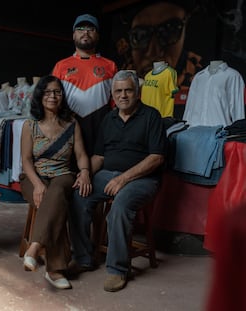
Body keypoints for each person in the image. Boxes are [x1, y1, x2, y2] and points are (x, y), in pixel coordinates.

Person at [69, 70, 167, 292]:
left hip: (142, 178)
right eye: (118, 91)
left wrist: (124, 178)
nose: (123, 95)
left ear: (137, 92)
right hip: (108, 174)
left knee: (120, 205)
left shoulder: (151, 117)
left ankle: (118, 269)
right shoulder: (109, 118)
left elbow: (156, 157)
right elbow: (100, 156)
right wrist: (85, 172)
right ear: (113, 95)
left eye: (128, 90)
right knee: (78, 195)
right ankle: (83, 257)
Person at [19, 75, 92, 289]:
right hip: (34, 177)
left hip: (63, 176)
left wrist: (85, 171)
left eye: (57, 92)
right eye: (48, 92)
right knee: (55, 199)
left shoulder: (71, 124)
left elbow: (80, 155)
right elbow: (26, 160)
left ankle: (34, 247)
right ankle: (55, 269)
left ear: (62, 97)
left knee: (58, 191)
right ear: (40, 95)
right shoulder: (30, 125)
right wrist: (38, 184)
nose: (53, 96)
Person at [52, 13, 118, 157]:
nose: (85, 32)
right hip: (68, 127)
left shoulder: (110, 65)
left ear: (98, 35)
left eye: (91, 29)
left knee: (97, 171)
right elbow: (52, 99)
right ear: (74, 35)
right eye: (81, 29)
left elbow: (116, 101)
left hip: (101, 128)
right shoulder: (61, 66)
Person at [115, 0, 203, 91]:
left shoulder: (201, 82)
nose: (152, 52)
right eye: (140, 36)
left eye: (168, 33)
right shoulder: (123, 78)